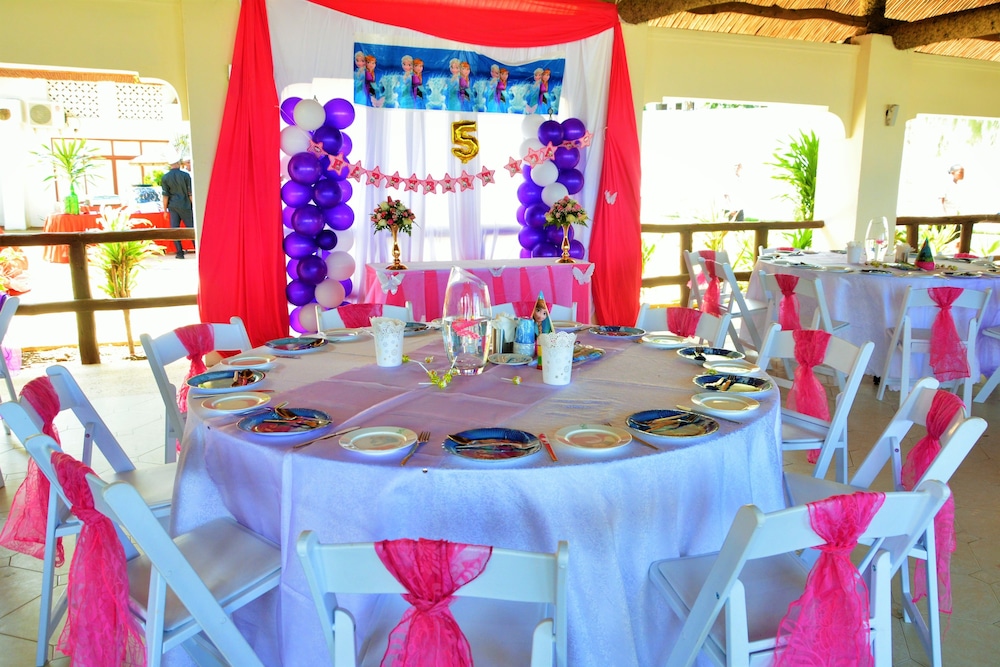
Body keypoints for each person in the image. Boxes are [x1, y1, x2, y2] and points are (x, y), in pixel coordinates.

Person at [161, 155, 193, 259]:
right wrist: (193, 205)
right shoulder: (186, 176)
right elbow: (190, 193)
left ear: (170, 165)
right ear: (178, 163)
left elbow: (165, 195)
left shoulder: (165, 177)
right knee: (192, 228)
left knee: (175, 230)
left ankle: (179, 253)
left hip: (173, 206)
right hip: (186, 205)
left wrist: (165, 210)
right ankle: (198, 249)